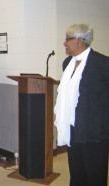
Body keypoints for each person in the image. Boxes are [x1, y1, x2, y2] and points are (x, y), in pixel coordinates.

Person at [54, 23, 109, 186]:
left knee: (95, 175)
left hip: (95, 132)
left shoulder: (102, 63)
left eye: (68, 39)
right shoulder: (67, 63)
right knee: (77, 174)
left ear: (79, 40)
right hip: (73, 127)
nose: (65, 43)